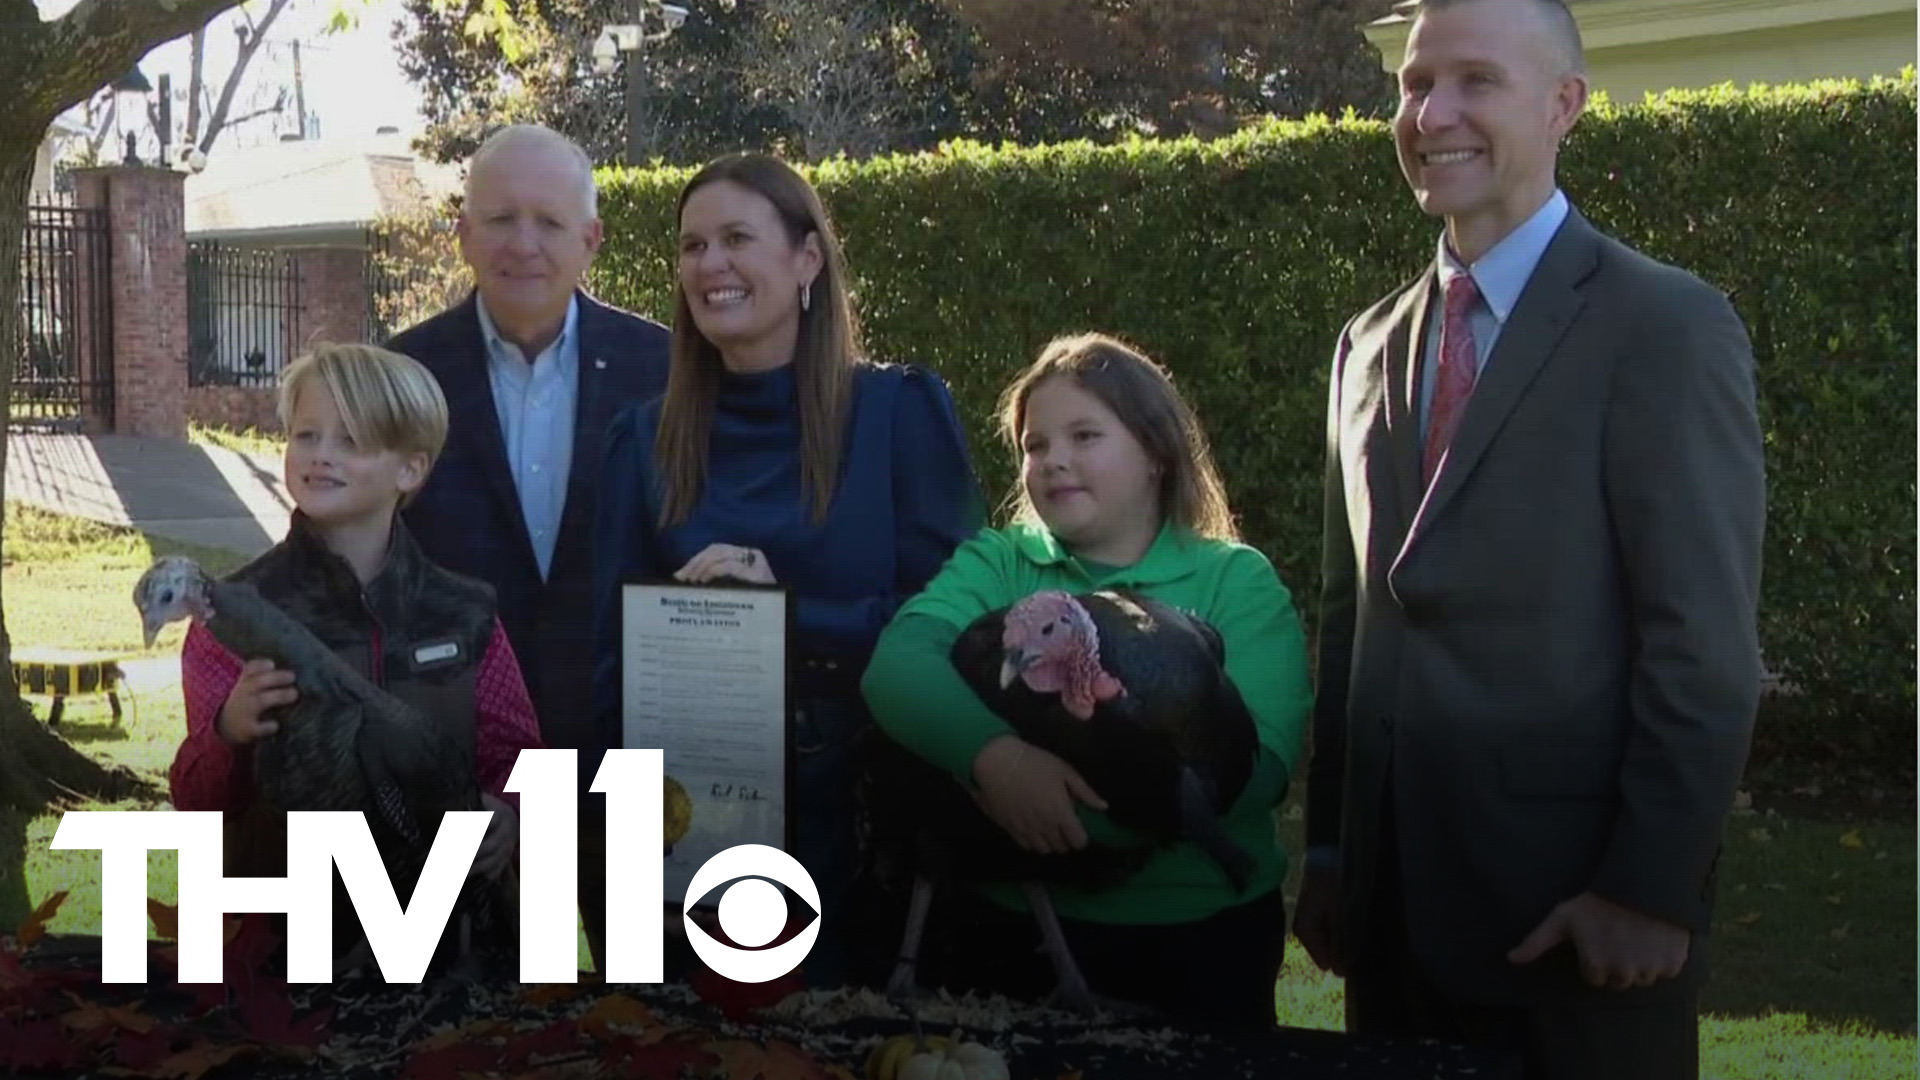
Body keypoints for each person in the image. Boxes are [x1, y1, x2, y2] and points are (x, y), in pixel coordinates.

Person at [1292, 1, 1766, 1076]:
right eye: (1416, 84)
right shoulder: (1364, 346)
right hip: (1390, 927)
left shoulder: (1663, 327)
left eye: (1475, 81)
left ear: (1565, 106)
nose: (1432, 113)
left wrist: (1649, 890)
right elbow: (1349, 620)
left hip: (1577, 935)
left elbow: (1702, 645)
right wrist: (1331, 850)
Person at [590, 152, 982, 987]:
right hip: (684, 830)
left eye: (737, 238)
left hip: (868, 829)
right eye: (693, 246)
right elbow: (606, 656)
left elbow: (960, 630)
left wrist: (776, 618)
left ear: (808, 258)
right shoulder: (644, 442)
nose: (710, 265)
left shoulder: (898, 414)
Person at [861, 332, 1313, 1030]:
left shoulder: (1235, 582)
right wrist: (1000, 762)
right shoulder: (1001, 564)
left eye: (1084, 435)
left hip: (1198, 940)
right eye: (1035, 446)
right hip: (1010, 940)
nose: (1053, 461)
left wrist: (1056, 814)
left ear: (1157, 453)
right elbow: (899, 666)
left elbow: (1260, 766)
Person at [386, 123, 670, 970]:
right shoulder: (400, 375)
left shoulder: (670, 369)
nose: (523, 242)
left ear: (591, 240)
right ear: (463, 233)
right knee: (490, 1029)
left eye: (549, 221)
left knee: (647, 1009)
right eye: (500, 217)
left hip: (628, 752)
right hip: (465, 765)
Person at [168, 342, 546, 970]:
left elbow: (520, 757)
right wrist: (227, 732)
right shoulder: (229, 618)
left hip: (457, 956)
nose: (321, 455)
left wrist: (510, 812)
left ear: (410, 469)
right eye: (307, 434)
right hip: (284, 960)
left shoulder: (466, 612)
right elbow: (198, 804)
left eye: (351, 441)